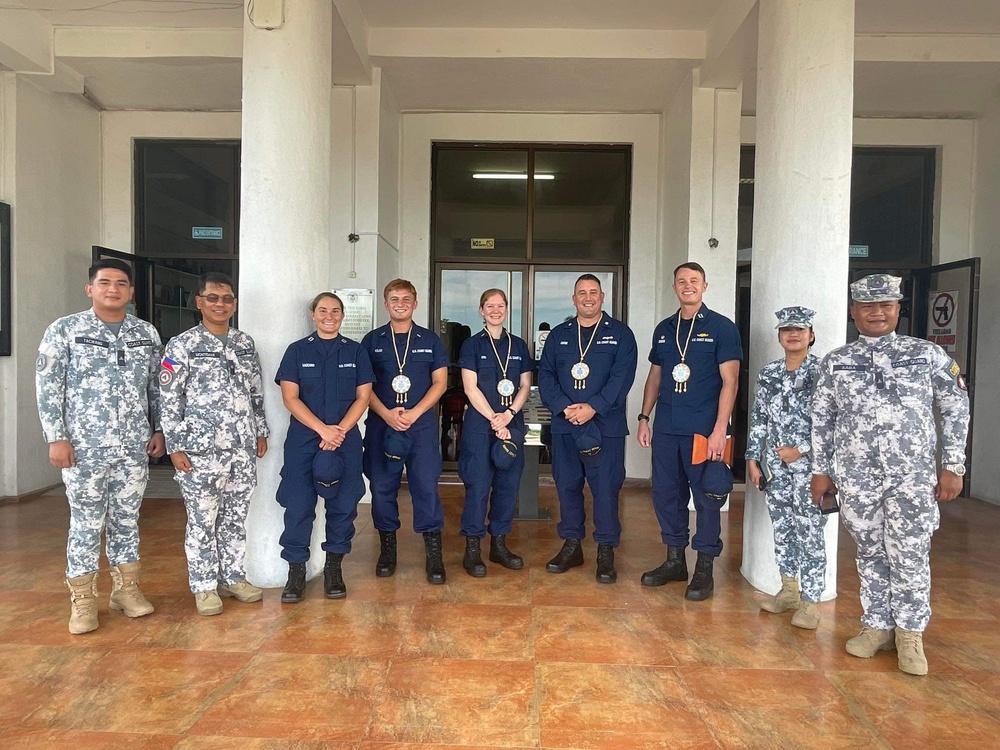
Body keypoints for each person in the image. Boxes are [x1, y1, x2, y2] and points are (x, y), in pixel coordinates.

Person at [811, 274, 969, 676]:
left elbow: (955, 406)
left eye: (885, 305)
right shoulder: (836, 361)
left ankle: (910, 633)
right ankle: (877, 625)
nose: (876, 312)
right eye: (867, 306)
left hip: (911, 478)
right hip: (856, 478)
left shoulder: (926, 355)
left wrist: (953, 464)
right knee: (869, 552)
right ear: (854, 312)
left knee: (910, 553)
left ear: (898, 308)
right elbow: (822, 420)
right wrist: (821, 471)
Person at [35, 258, 165, 634]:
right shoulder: (65, 330)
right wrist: (55, 437)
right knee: (86, 523)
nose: (113, 289)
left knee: (126, 520)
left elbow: (156, 388)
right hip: (83, 447)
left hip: (133, 447)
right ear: (90, 288)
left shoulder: (146, 333)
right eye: (105, 282)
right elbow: (48, 387)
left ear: (131, 292)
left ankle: (125, 590)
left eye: (121, 283)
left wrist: (159, 430)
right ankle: (83, 601)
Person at [158, 272, 269, 616]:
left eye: (227, 299)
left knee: (235, 517)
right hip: (199, 451)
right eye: (213, 298)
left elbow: (255, 391)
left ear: (234, 304)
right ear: (199, 302)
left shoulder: (244, 343)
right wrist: (174, 446)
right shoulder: (181, 345)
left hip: (240, 449)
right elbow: (169, 398)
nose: (220, 304)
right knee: (202, 520)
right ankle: (204, 586)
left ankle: (233, 577)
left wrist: (260, 431)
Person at [636, 262, 742, 601]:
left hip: (702, 432)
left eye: (694, 281)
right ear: (674, 287)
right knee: (666, 496)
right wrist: (643, 416)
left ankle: (704, 569)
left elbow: (731, 382)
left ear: (705, 286)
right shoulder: (665, 329)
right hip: (667, 428)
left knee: (708, 498)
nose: (687, 286)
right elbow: (655, 376)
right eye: (681, 281)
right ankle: (675, 561)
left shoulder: (722, 328)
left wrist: (719, 431)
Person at [274, 292, 374, 602]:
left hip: (345, 441)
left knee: (343, 506)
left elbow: (364, 396)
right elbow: (290, 397)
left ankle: (333, 569)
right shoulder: (296, 351)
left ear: (342, 316)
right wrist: (322, 430)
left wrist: (340, 431)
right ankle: (296, 572)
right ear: (313, 314)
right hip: (305, 441)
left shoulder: (356, 352)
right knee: (299, 506)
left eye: (335, 311)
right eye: (322, 310)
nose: (329, 315)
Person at [538, 274, 637, 584]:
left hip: (604, 426)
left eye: (593, 292)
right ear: (574, 299)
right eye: (582, 293)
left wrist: (593, 406)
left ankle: (605, 550)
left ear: (602, 296)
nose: (588, 297)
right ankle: (572, 545)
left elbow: (622, 379)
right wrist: (566, 409)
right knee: (566, 485)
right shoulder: (559, 335)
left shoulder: (620, 335)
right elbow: (546, 376)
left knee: (606, 488)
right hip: (566, 425)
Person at [361, 279, 450, 584]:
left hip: (421, 427)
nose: (400, 303)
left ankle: (434, 555)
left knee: (426, 489)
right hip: (382, 426)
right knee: (383, 488)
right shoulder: (372, 341)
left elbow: (439, 382)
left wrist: (414, 412)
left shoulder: (430, 340)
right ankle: (388, 551)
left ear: (415, 303)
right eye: (394, 298)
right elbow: (364, 387)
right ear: (386, 304)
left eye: (406, 299)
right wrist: (387, 413)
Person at [746, 306, 826, 629]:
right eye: (786, 330)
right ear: (779, 336)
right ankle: (789, 590)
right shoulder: (769, 374)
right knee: (783, 529)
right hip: (775, 470)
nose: (793, 334)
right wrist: (753, 458)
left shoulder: (821, 374)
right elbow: (759, 417)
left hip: (810, 469)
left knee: (810, 533)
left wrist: (802, 450)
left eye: (799, 329)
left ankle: (811, 602)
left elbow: (831, 423)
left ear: (811, 335)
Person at [456, 288, 533, 576]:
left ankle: (498, 544)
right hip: (481, 426)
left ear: (507, 308)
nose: (495, 310)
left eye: (500, 306)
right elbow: (469, 387)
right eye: (490, 306)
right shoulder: (472, 345)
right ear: (481, 310)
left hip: (511, 424)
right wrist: (494, 418)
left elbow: (525, 385)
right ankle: (473, 548)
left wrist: (509, 415)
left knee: (507, 486)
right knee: (477, 488)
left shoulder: (519, 345)